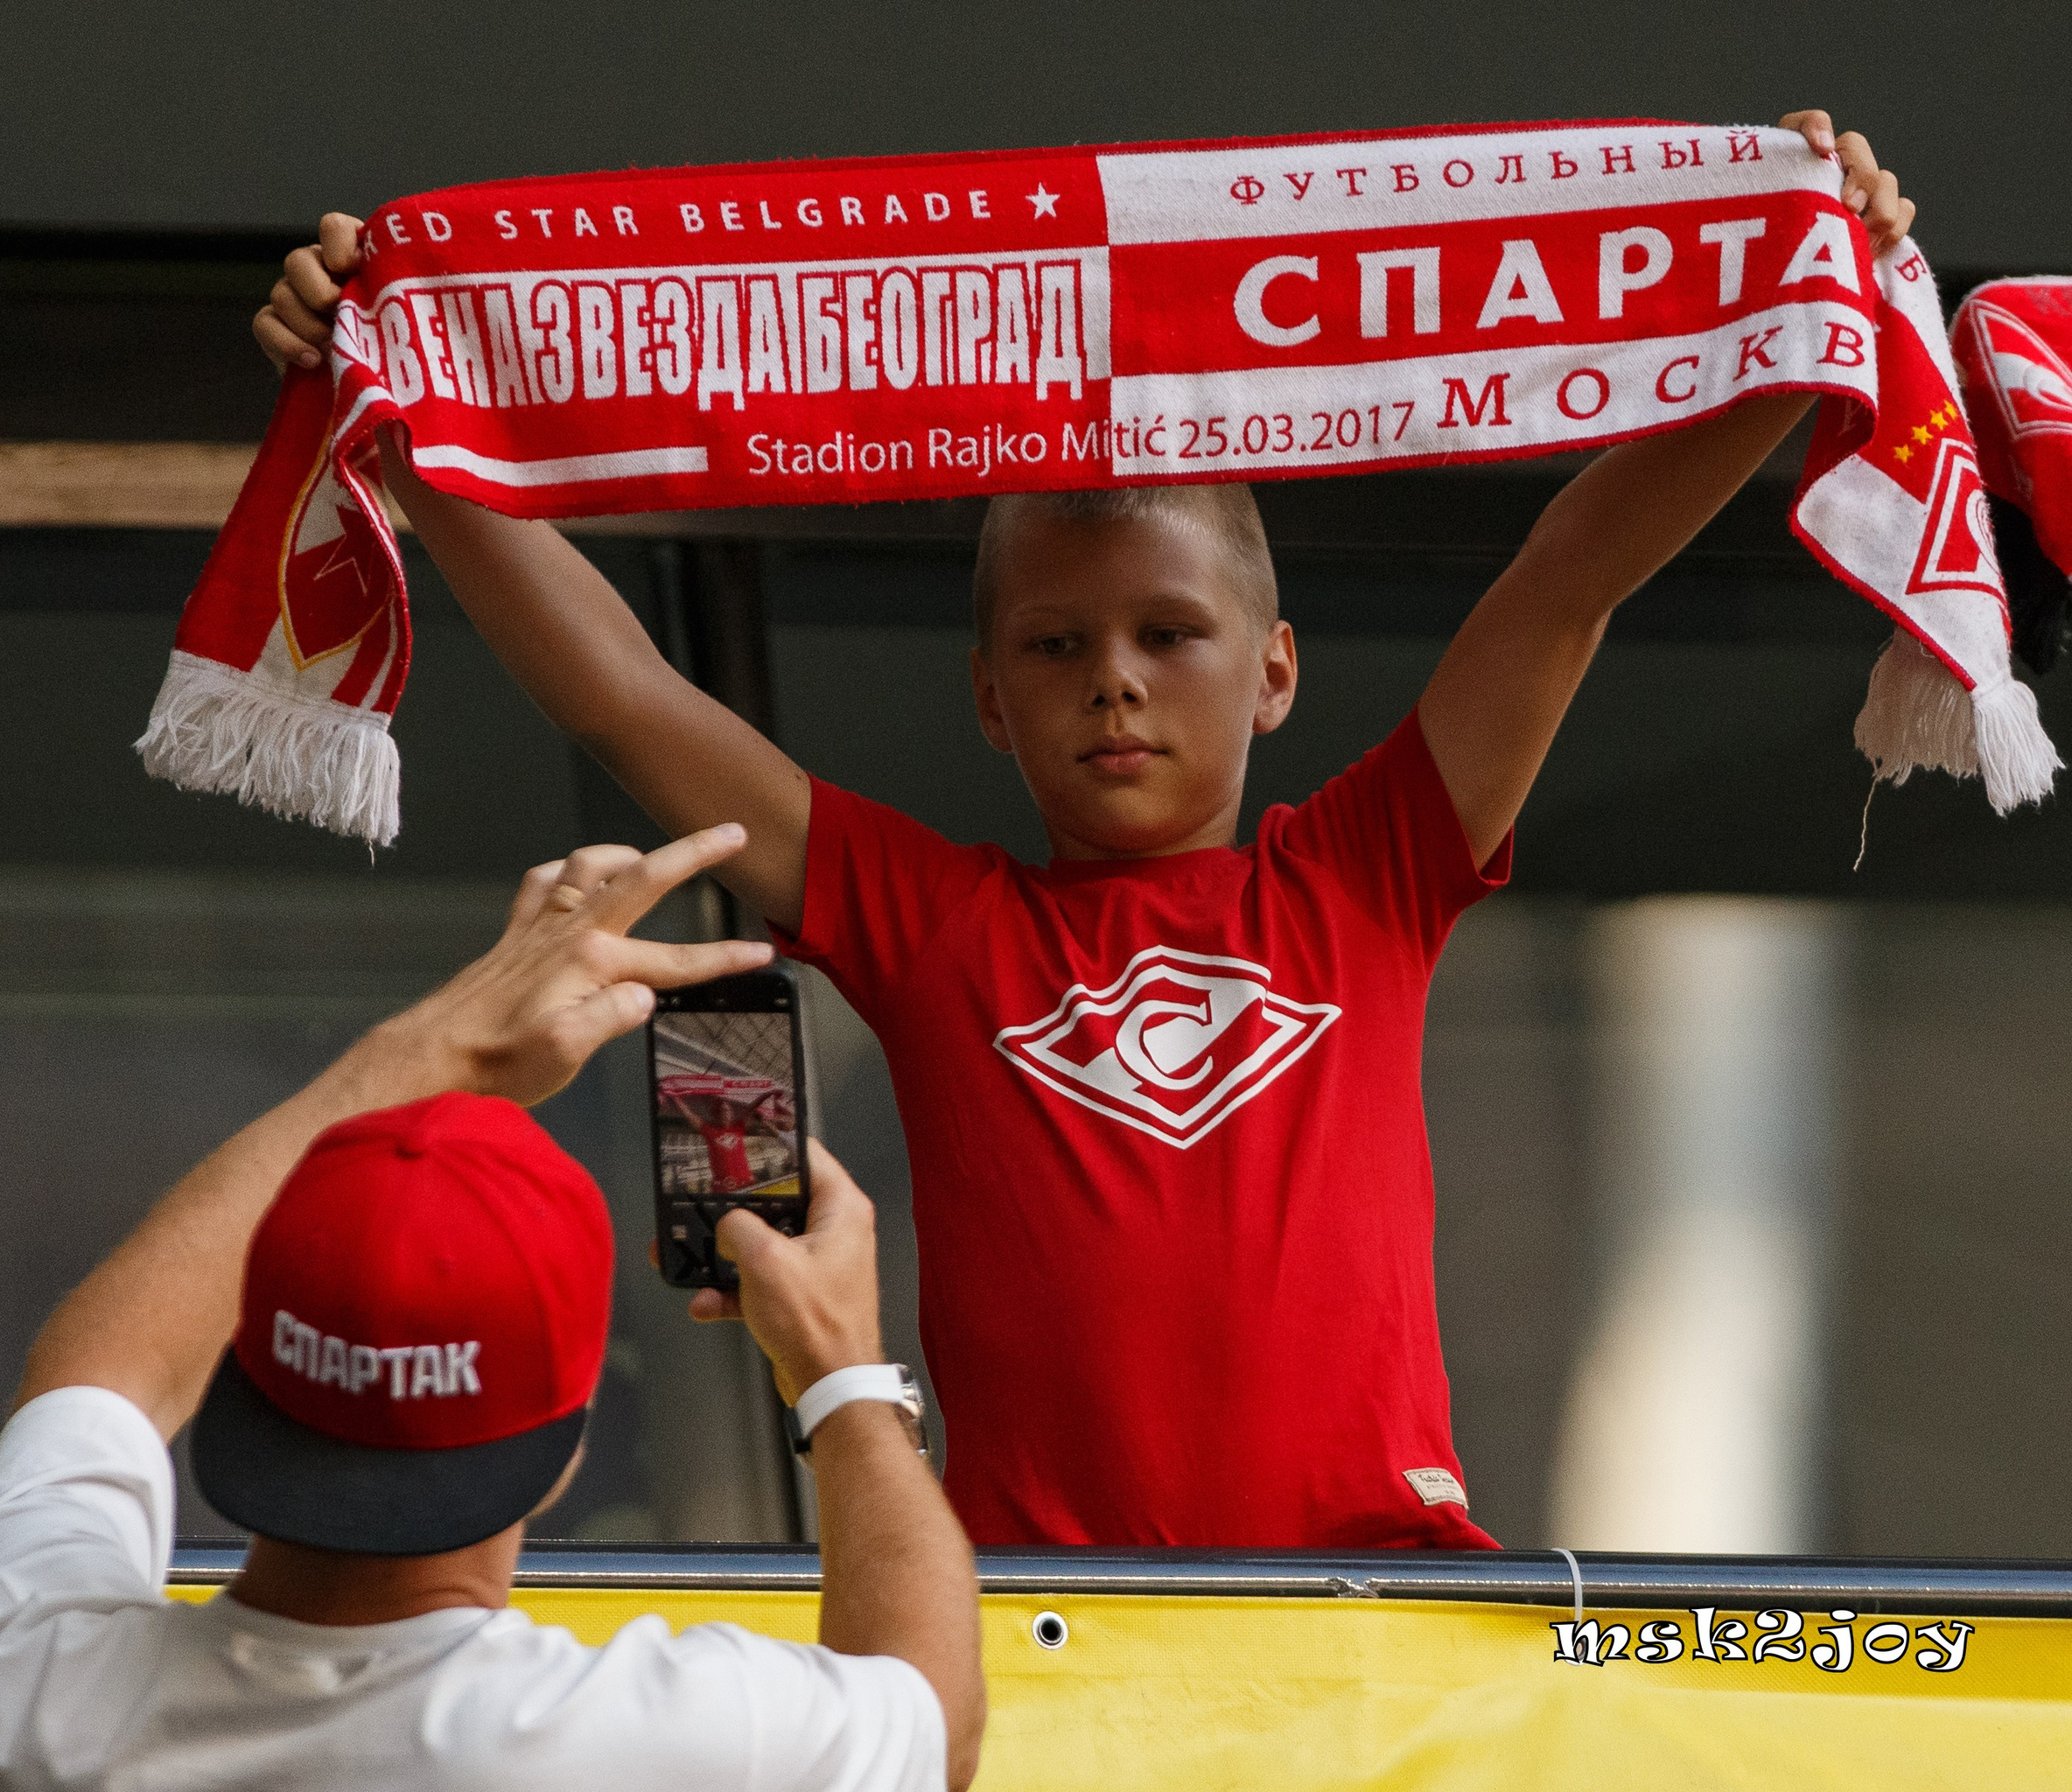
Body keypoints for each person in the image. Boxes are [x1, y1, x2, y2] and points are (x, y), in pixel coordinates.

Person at [256, 110, 1915, 1551]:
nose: (1113, 685)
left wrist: (1798, 323)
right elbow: (625, 695)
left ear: (1273, 671)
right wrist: (412, 431)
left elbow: (1568, 580)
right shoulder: (932, 917)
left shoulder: (1370, 868)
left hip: (1395, 1605)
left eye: (1166, 638)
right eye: (1059, 647)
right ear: (990, 695)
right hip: (1058, 1639)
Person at [0, 827, 986, 1792]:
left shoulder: (29, 1692)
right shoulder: (671, 1740)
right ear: (570, 1442)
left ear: (249, 1368)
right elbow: (932, 1719)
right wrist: (841, 1368)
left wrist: (431, 1049)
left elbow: (102, 1368)